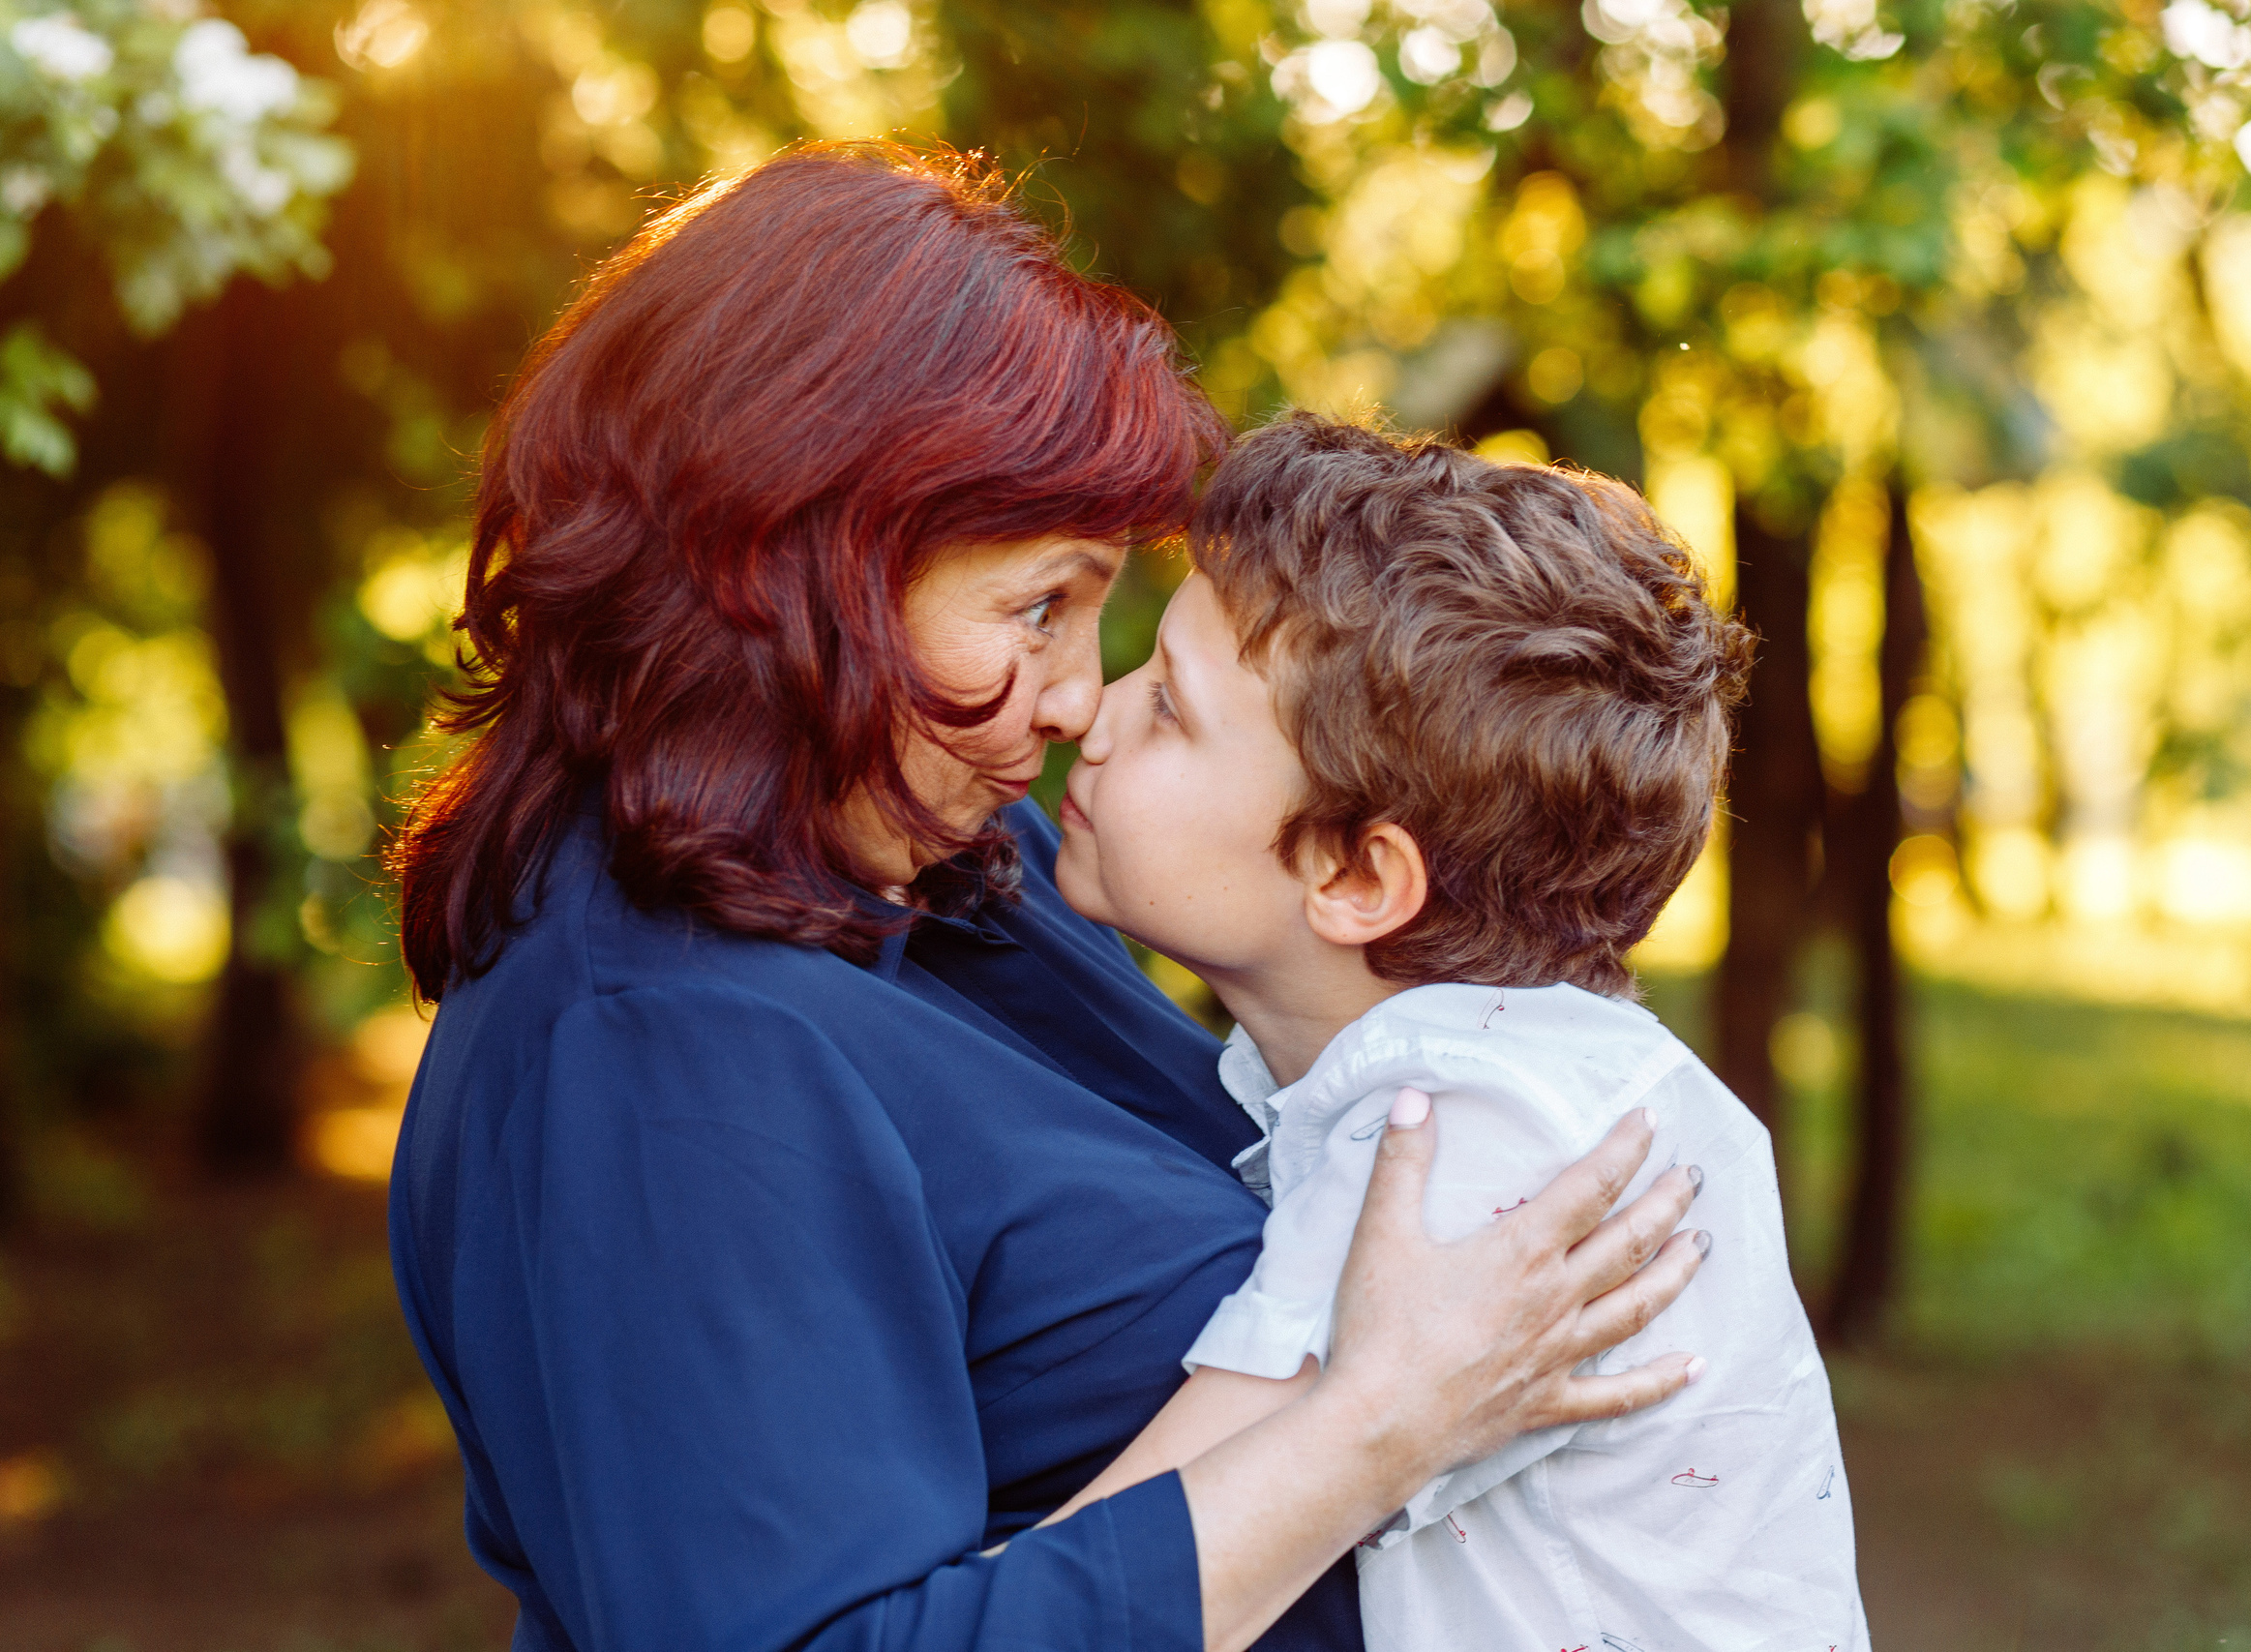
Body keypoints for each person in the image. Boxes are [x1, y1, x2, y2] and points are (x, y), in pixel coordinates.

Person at [384, 144, 1711, 1652]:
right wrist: (1383, 1422)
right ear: (787, 560)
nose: (1081, 696)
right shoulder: (660, 1047)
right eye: (1036, 607)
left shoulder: (931, 873)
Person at [1047, 415, 1869, 1651]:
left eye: (1168, 706)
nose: (1088, 715)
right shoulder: (1547, 1075)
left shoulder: (1467, 1138)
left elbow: (1135, 1572)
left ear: (1357, 875)